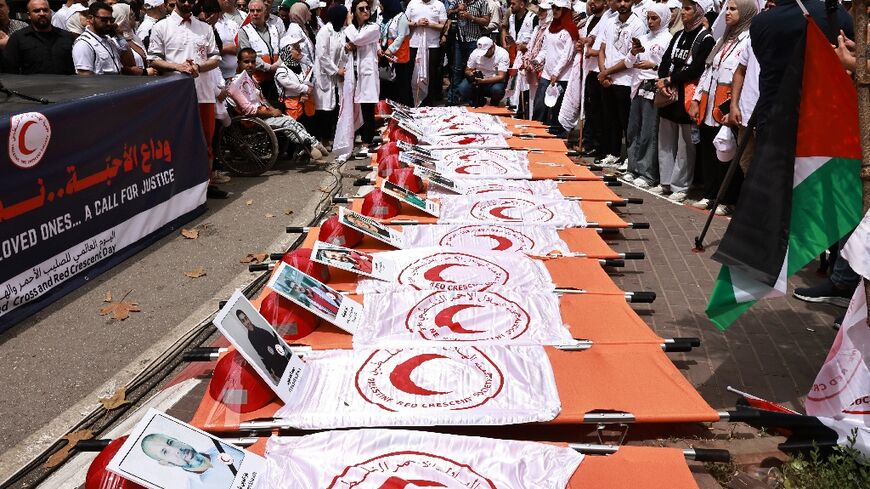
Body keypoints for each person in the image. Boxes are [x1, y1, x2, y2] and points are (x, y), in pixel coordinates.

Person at [148, 0, 227, 199]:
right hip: (174, 96)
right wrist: (178, 67)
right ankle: (180, 189)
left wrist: (199, 67)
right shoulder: (161, 27)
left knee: (205, 142)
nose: (186, 3)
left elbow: (216, 58)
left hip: (203, 94)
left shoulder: (204, 27)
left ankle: (205, 185)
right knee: (176, 142)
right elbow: (153, 59)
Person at [688, 0, 755, 215]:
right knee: (709, 149)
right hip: (710, 103)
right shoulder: (724, 38)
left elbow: (744, 76)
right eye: (727, 8)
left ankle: (728, 199)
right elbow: (709, 70)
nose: (727, 12)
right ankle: (710, 194)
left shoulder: (749, 40)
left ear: (745, 12)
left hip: (728, 105)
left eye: (733, 9)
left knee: (728, 151)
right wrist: (697, 100)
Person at [653, 0, 714, 202]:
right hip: (669, 94)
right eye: (684, 8)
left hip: (686, 97)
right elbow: (665, 61)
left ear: (699, 11)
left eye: (688, 8)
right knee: (665, 141)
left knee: (685, 145)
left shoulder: (706, 39)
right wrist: (663, 82)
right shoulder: (678, 35)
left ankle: (680, 186)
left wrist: (671, 79)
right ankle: (665, 182)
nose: (684, 12)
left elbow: (697, 69)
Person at [229, 47, 329, 159]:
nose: (250, 65)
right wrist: (271, 113)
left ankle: (312, 143)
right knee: (288, 124)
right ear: (238, 63)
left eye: (253, 62)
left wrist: (272, 110)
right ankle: (311, 146)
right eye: (246, 62)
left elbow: (262, 100)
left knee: (291, 121)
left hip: (263, 113)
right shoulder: (235, 84)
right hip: (252, 120)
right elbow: (249, 111)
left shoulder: (252, 80)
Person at [622, 3, 671, 187]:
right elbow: (628, 63)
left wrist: (654, 66)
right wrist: (633, 53)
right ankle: (633, 167)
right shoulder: (643, 38)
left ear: (664, 18)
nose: (650, 22)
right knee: (634, 128)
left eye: (654, 18)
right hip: (637, 85)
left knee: (648, 132)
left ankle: (647, 173)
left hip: (653, 85)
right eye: (648, 18)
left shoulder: (667, 39)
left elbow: (668, 67)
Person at [596, 0, 645, 165]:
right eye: (619, 0)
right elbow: (602, 49)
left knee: (627, 122)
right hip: (607, 79)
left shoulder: (637, 24)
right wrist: (603, 73)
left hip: (625, 80)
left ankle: (630, 157)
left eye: (627, 0)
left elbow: (632, 58)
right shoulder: (609, 22)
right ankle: (613, 153)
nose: (623, 3)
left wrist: (606, 73)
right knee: (610, 119)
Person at [140, 433, 242, 488]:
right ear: (166, 463)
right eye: (165, 452)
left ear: (177, 440)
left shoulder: (223, 446)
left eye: (171, 442)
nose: (177, 450)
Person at [532, 0, 578, 124]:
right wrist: (537, 60)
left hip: (562, 76)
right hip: (547, 73)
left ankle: (556, 136)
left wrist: (556, 73)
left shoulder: (570, 30)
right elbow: (545, 49)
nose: (555, 11)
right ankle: (536, 130)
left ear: (565, 10)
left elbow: (567, 56)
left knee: (557, 109)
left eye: (558, 8)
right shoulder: (550, 28)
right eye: (553, 8)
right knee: (539, 105)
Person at [3, 0, 75, 74]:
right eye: (36, 11)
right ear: (29, 15)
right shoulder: (18, 38)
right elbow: (10, 70)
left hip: (64, 84)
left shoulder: (66, 36)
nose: (42, 13)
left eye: (45, 10)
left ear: (50, 12)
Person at [345, 0, 381, 145]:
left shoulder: (373, 27)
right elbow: (352, 43)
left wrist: (348, 23)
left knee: (367, 106)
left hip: (367, 72)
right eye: (361, 9)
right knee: (356, 106)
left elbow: (358, 40)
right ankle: (359, 134)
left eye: (367, 8)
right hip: (355, 71)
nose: (366, 10)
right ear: (355, 12)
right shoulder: (357, 29)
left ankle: (368, 138)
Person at [313, 4, 348, 143]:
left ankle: (334, 137)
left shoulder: (341, 31)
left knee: (336, 107)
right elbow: (322, 56)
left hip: (338, 76)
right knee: (325, 109)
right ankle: (324, 139)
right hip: (325, 74)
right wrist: (335, 70)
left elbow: (342, 51)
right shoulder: (324, 32)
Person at [73, 2, 138, 75]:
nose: (109, 23)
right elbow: (85, 77)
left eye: (111, 20)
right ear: (91, 18)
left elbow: (130, 62)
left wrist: (119, 36)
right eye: (104, 20)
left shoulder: (109, 40)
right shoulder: (84, 44)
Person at [447, 0, 491, 104]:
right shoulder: (458, 1)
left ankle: (473, 98)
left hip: (474, 41)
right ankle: (453, 99)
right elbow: (448, 12)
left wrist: (471, 17)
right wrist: (457, 9)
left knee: (473, 70)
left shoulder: (481, 3)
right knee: (457, 70)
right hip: (460, 40)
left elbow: (486, 21)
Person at [239, 0, 282, 103]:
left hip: (277, 79)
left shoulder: (274, 28)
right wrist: (269, 67)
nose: (255, 13)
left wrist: (278, 65)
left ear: (265, 11)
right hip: (257, 80)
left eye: (258, 10)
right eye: (252, 10)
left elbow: (283, 50)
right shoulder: (244, 31)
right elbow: (248, 56)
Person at [578, 0, 606, 156]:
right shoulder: (589, 19)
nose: (592, 3)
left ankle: (596, 144)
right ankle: (587, 141)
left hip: (599, 68)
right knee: (589, 107)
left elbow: (606, 46)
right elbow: (591, 38)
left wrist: (593, 52)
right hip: (589, 68)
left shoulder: (608, 18)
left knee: (597, 110)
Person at [406, 0, 448, 105]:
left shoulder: (439, 4)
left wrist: (429, 24)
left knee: (431, 73)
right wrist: (417, 23)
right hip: (414, 44)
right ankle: (413, 101)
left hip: (432, 45)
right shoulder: (412, 3)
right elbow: (405, 22)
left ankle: (429, 102)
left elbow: (443, 25)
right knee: (412, 73)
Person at [235, 309, 288, 383]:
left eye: (246, 318)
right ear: (242, 323)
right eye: (243, 321)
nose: (247, 322)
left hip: (283, 360)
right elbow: (262, 356)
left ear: (248, 318)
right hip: (278, 368)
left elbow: (274, 342)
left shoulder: (260, 330)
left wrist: (275, 333)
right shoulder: (251, 338)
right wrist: (270, 371)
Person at [456, 35, 509, 105]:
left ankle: (495, 101)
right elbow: (468, 70)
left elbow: (501, 76)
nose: (484, 54)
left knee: (497, 90)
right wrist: (471, 74)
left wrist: (483, 81)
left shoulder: (502, 54)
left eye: (486, 52)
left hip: (494, 80)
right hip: (478, 79)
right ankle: (478, 99)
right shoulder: (475, 53)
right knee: (463, 88)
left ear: (492, 47)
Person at [275, 30, 314, 119]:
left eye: (299, 47)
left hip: (306, 105)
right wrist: (304, 89)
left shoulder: (303, 66)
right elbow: (287, 83)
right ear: (287, 51)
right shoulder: (282, 70)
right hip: (292, 109)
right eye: (296, 48)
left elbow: (310, 79)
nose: (300, 50)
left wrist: (307, 90)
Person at [379, 0, 411, 105]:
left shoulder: (401, 17)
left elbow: (401, 36)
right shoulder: (382, 16)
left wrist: (391, 49)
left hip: (398, 55)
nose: (380, 5)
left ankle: (402, 108)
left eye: (382, 3)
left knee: (400, 84)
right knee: (387, 82)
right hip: (384, 54)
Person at [113, 2, 151, 70]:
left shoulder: (133, 37)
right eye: (131, 15)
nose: (134, 17)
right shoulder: (115, 41)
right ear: (123, 19)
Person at [283, 2, 316, 67]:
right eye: (307, 11)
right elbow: (301, 55)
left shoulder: (301, 27)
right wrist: (313, 67)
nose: (310, 13)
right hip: (305, 69)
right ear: (301, 13)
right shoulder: (295, 31)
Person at [215, 0, 241, 80]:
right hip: (219, 78)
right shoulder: (209, 23)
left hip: (236, 76)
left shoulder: (232, 23)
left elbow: (241, 46)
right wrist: (225, 49)